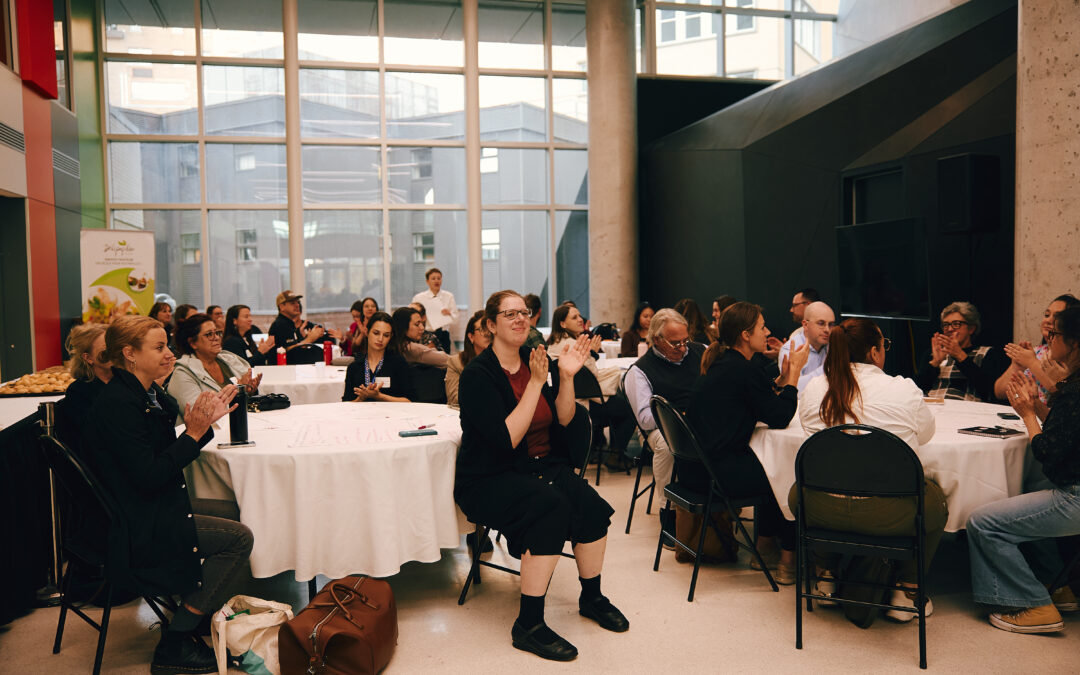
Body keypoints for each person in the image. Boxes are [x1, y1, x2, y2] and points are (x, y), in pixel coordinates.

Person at [455, 290, 628, 661]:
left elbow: (564, 420)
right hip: (490, 477)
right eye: (509, 314)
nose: (520, 319)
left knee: (591, 507)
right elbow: (506, 439)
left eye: (524, 313)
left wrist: (565, 377)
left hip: (539, 467)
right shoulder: (478, 376)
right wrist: (535, 383)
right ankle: (528, 624)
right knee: (549, 508)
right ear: (490, 325)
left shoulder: (535, 363)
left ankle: (592, 597)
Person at [81, 315, 252, 674]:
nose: (169, 354)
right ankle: (177, 637)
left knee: (238, 508)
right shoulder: (119, 404)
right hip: (139, 522)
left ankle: (197, 607)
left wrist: (201, 429)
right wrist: (193, 433)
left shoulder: (145, 393)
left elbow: (163, 458)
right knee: (239, 538)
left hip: (152, 504)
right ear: (129, 353)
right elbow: (150, 475)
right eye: (159, 347)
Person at [796, 318, 946, 620]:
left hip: (821, 507)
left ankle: (825, 576)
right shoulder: (903, 389)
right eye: (884, 345)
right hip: (889, 513)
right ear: (876, 351)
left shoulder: (814, 389)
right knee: (935, 503)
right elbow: (925, 434)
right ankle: (907, 590)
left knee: (795, 492)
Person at [966, 304, 1080, 634]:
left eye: (1055, 333)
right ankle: (1057, 586)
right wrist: (1036, 406)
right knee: (1027, 490)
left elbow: (1048, 452)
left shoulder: (1074, 391)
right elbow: (1067, 433)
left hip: (1074, 496)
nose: (1049, 338)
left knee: (982, 523)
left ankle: (1031, 604)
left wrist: (1028, 414)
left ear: (1072, 341)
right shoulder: (1072, 387)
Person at [685, 302, 809, 584]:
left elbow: (753, 398)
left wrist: (778, 383)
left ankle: (765, 548)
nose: (767, 331)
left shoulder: (725, 363)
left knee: (771, 463)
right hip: (717, 476)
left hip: (696, 469)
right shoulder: (743, 369)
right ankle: (787, 558)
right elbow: (779, 417)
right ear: (745, 335)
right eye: (762, 327)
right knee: (788, 471)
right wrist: (793, 378)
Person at [623, 309, 704, 521]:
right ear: (657, 339)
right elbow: (646, 420)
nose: (683, 347)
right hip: (662, 428)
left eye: (685, 340)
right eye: (675, 343)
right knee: (667, 444)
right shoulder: (639, 371)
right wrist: (681, 414)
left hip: (702, 420)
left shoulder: (701, 351)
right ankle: (668, 510)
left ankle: (718, 503)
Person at [547, 303, 636, 468]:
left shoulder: (554, 342)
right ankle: (616, 455)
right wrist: (593, 353)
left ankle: (596, 448)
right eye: (574, 317)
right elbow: (591, 374)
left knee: (618, 403)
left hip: (570, 401)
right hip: (582, 403)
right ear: (562, 323)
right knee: (629, 409)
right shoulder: (574, 345)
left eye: (580, 316)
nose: (581, 320)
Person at [169, 313, 262, 420]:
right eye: (209, 334)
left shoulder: (230, 360)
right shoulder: (182, 374)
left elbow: (248, 400)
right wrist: (237, 392)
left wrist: (248, 391)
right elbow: (198, 416)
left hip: (244, 423)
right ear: (193, 343)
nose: (216, 338)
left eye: (217, 333)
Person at [994, 294, 1080, 404]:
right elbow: (999, 392)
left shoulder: (1071, 358)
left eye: (1057, 317)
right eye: (1047, 315)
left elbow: (1065, 391)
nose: (1048, 320)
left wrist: (1031, 362)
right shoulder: (1037, 351)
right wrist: (1017, 366)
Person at [916, 301, 1009, 401]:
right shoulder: (934, 353)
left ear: (971, 329)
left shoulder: (986, 353)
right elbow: (916, 389)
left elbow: (989, 391)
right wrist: (935, 363)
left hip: (967, 410)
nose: (950, 329)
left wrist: (960, 355)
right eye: (946, 325)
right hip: (933, 406)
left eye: (956, 324)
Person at [56, 324, 113, 452]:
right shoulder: (79, 392)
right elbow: (95, 438)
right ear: (88, 358)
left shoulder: (122, 381)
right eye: (107, 350)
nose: (115, 354)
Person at [342, 311, 414, 402]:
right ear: (367, 332)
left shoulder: (398, 363)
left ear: (391, 337)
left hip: (392, 415)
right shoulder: (354, 367)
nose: (380, 339)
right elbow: (345, 405)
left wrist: (379, 396)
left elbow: (409, 401)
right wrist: (360, 398)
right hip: (362, 415)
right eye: (376, 333)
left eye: (386, 335)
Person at [776, 301, 835, 393]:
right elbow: (795, 389)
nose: (827, 330)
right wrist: (827, 368)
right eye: (821, 323)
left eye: (831, 324)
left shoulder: (833, 345)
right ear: (805, 325)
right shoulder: (791, 349)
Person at [268, 290, 341, 355]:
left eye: (297, 302)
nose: (297, 305)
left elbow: (295, 345)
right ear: (282, 307)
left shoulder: (289, 324)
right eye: (292, 303)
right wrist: (310, 339)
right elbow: (287, 351)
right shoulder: (280, 325)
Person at [446, 310, 490, 408]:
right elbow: (454, 399)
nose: (488, 333)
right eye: (482, 329)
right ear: (471, 337)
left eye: (490, 328)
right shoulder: (457, 362)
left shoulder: (503, 359)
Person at [411, 268, 458, 353]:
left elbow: (456, 319)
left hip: (443, 334)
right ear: (427, 281)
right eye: (433, 278)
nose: (436, 281)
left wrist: (449, 313)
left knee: (444, 360)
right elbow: (412, 316)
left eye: (439, 278)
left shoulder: (448, 296)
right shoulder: (419, 298)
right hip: (426, 334)